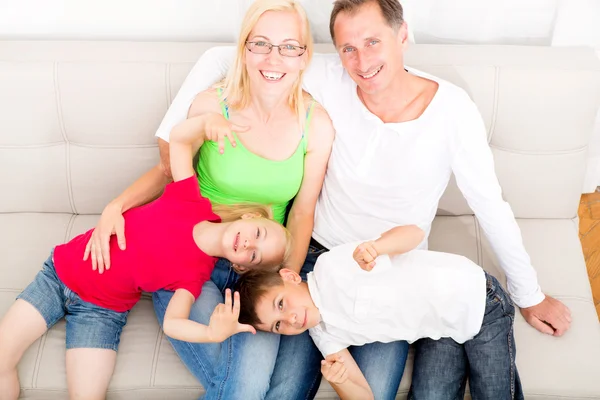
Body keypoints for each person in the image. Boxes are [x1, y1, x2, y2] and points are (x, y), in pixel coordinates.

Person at [156, 0, 573, 396]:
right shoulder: (330, 76)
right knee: (287, 388)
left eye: (372, 41)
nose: (361, 61)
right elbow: (222, 57)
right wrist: (170, 138)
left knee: (375, 389)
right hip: (316, 262)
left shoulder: (452, 110)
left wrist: (529, 295)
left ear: (403, 34)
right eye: (348, 48)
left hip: (391, 266)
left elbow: (489, 205)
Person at [82, 0, 335, 399]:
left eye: (289, 46)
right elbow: (171, 170)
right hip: (191, 258)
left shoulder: (315, 124)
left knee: (274, 387)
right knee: (247, 386)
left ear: (305, 56)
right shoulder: (211, 105)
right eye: (261, 44)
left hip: (260, 264)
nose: (274, 58)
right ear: (244, 48)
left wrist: (280, 278)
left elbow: (303, 211)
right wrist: (116, 205)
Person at [0, 112, 292, 400]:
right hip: (59, 274)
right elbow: (178, 140)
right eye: (258, 234)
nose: (248, 245)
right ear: (249, 216)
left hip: (101, 312)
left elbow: (173, 323)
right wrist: (207, 123)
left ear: (239, 265)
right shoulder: (191, 199)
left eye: (254, 255)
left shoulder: (195, 276)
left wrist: (212, 334)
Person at [235, 225, 524, 400]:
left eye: (281, 305)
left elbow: (414, 233)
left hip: (477, 300)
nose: (291, 320)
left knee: (494, 393)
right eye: (278, 326)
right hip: (440, 333)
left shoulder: (332, 266)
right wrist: (341, 380)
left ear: (290, 277)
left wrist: (377, 247)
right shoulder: (323, 334)